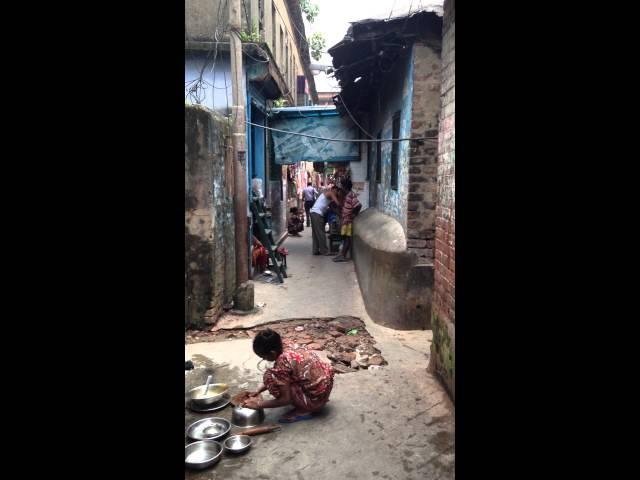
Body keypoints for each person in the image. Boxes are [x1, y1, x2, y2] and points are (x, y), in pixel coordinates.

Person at [242, 329, 334, 423]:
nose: (263, 359)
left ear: (272, 353)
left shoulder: (282, 363)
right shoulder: (288, 345)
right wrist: (258, 391)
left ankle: (306, 409)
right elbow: (286, 376)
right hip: (323, 390)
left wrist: (258, 405)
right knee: (280, 377)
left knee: (270, 377)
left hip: (315, 400)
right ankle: (311, 401)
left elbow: (285, 400)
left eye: (263, 356)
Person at [333, 179, 361, 262]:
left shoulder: (351, 195)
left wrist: (352, 214)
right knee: (344, 238)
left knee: (347, 238)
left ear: (345, 187)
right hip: (345, 220)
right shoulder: (347, 195)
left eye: (342, 186)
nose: (341, 188)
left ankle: (343, 255)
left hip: (348, 221)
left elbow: (358, 205)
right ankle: (342, 254)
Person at [309, 187, 340, 255]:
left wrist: (338, 213)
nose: (337, 194)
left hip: (314, 213)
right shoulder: (330, 193)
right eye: (337, 192)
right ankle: (324, 251)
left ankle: (315, 250)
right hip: (317, 214)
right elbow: (338, 203)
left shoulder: (327, 195)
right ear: (334, 190)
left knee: (315, 233)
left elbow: (332, 207)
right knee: (321, 233)